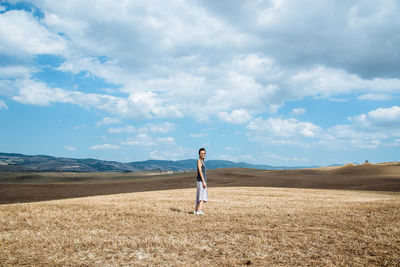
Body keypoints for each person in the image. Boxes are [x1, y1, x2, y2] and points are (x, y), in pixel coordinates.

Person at [194, 147, 208, 215]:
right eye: (202, 153)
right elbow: (200, 171)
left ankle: (196, 210)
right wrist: (203, 181)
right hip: (201, 181)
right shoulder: (199, 161)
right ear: (199, 154)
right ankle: (199, 211)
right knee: (202, 196)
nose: (203, 154)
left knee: (199, 195)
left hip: (200, 181)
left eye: (204, 153)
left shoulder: (202, 161)